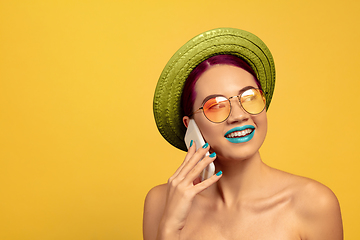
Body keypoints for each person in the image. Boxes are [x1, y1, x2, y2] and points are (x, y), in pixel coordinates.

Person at [144, 28, 343, 240]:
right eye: (216, 105)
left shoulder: (314, 203)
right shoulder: (161, 203)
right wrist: (169, 229)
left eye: (249, 97)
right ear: (190, 125)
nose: (239, 116)